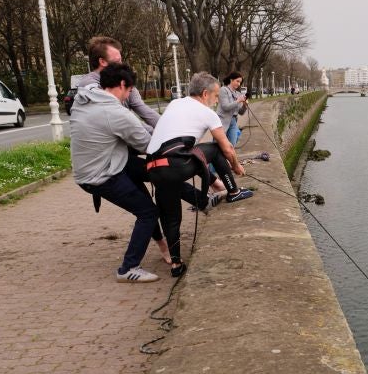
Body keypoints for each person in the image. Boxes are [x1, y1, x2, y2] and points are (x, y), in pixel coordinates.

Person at [70, 63, 176, 283]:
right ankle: (128, 268)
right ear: (121, 84)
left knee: (150, 176)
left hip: (93, 167)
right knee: (147, 212)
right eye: (129, 91)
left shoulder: (85, 98)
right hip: (101, 176)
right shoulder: (114, 112)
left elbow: (136, 129)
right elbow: (149, 145)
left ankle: (204, 197)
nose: (129, 96)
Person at [146, 72, 253, 277]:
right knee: (214, 149)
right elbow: (227, 148)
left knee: (171, 217)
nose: (215, 102)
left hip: (153, 168)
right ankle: (233, 191)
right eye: (214, 97)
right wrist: (237, 167)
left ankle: (176, 264)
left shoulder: (175, 104)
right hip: (175, 163)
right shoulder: (207, 113)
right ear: (205, 94)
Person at [75, 36, 160, 132]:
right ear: (102, 61)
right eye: (117, 61)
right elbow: (122, 120)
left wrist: (166, 127)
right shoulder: (90, 87)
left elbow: (143, 110)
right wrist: (154, 134)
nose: (122, 64)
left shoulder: (122, 78)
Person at [218, 72, 248, 147]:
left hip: (233, 121)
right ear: (231, 80)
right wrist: (238, 101)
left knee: (232, 145)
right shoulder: (223, 90)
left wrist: (245, 105)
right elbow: (225, 107)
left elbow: (241, 112)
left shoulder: (238, 93)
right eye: (237, 81)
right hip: (222, 121)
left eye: (240, 82)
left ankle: (228, 159)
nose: (239, 84)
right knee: (218, 145)